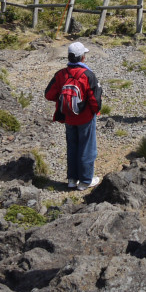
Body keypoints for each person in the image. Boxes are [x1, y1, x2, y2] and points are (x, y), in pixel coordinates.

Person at [44, 41, 102, 190]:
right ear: (82, 57)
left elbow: (49, 94)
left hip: (68, 117)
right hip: (86, 118)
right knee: (87, 148)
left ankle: (72, 179)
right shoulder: (88, 75)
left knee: (72, 147)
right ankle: (85, 181)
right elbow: (95, 100)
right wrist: (96, 111)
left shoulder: (61, 74)